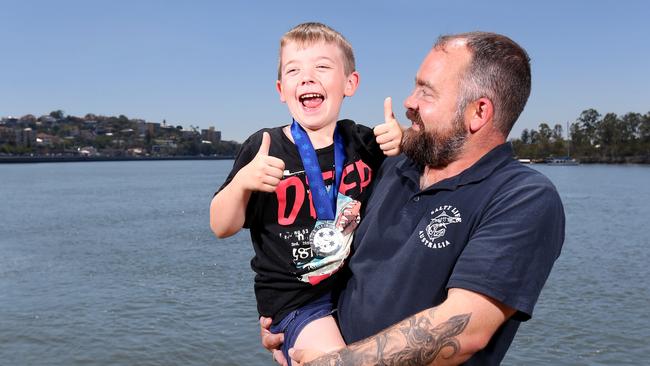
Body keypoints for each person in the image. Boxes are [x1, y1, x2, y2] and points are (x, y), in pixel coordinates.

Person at [262, 31, 565, 365]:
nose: (409, 102)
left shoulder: (523, 197)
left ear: (478, 112)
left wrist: (331, 363)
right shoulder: (391, 167)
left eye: (426, 91)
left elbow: (464, 330)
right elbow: (335, 260)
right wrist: (292, 318)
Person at [210, 22, 403, 365]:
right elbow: (220, 226)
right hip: (294, 300)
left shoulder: (364, 142)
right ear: (281, 89)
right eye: (294, 70)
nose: (307, 77)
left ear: (350, 83)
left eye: (322, 67)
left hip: (354, 289)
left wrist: (400, 140)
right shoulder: (265, 147)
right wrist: (242, 183)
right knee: (333, 360)